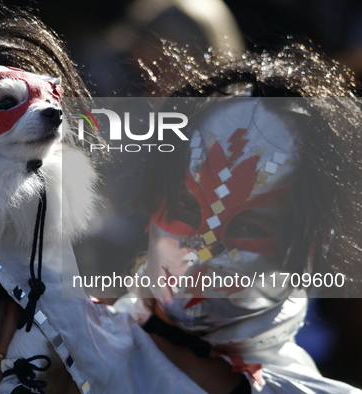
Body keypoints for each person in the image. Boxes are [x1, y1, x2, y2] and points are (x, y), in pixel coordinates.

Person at [114, 42, 362, 393]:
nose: (202, 251)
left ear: (309, 247)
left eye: (248, 226)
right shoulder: (70, 354)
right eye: (186, 207)